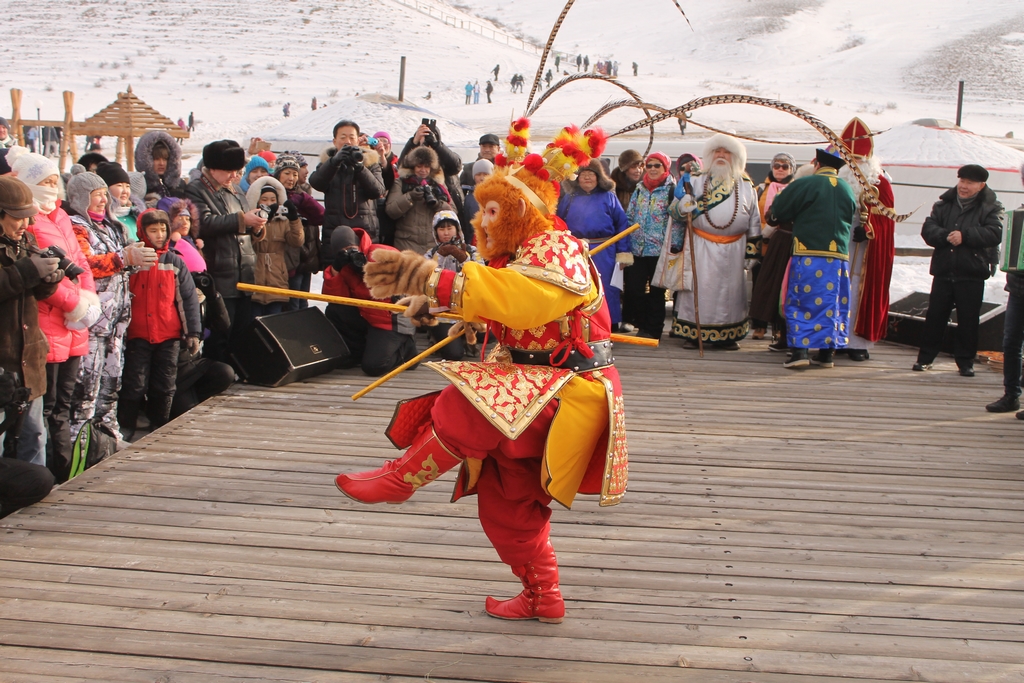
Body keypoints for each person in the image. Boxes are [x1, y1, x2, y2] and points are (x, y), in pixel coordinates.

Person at [336, 119, 627, 625]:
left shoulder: (556, 250)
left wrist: (427, 277)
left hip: (566, 388)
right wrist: (437, 307)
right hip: (532, 386)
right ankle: (542, 594)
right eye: (482, 211)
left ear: (519, 211)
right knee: (505, 502)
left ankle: (402, 477)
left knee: (469, 401)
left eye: (494, 212)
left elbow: (521, 300)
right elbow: (494, 303)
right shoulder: (519, 253)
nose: (483, 223)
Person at [15, 153, 99, 480]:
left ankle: (61, 473)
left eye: (54, 182)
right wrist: (74, 302)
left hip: (74, 327)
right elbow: (43, 279)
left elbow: (80, 262)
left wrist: (88, 298)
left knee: (63, 406)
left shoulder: (61, 217)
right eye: (43, 182)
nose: (50, 189)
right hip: (46, 324)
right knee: (44, 409)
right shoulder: (28, 222)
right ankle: (44, 476)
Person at [66, 172, 156, 444]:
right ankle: (80, 444)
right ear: (82, 198)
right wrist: (122, 258)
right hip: (92, 322)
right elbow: (85, 264)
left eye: (105, 194)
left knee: (111, 384)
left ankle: (108, 437)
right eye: (97, 195)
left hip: (116, 319)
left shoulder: (112, 225)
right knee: (86, 389)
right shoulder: (76, 227)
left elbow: (122, 258)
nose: (104, 200)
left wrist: (135, 257)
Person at [767, 148, 857, 369]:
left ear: (817, 164)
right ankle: (827, 354)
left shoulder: (805, 184)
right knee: (832, 303)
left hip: (808, 254)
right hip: (838, 258)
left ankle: (800, 352)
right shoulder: (847, 189)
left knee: (802, 300)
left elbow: (778, 212)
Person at [671, 135, 761, 349]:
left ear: (736, 157)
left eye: (726, 151)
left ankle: (728, 337)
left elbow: (754, 220)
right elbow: (674, 211)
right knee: (699, 290)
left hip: (735, 250)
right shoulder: (695, 180)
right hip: (700, 246)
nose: (721, 155)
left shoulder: (746, 186)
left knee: (731, 295)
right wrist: (684, 206)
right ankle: (694, 334)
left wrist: (752, 252)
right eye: (717, 151)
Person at [118, 209, 201, 440]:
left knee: (164, 385)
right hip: (137, 335)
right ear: (142, 232)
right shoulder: (132, 259)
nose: (159, 234)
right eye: (153, 230)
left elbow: (188, 300)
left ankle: (159, 427)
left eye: (162, 229)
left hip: (168, 336)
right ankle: (126, 428)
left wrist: (192, 332)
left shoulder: (174, 261)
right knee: (134, 385)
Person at [914, 164, 1003, 377]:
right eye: (961, 181)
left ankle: (965, 362)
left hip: (972, 270)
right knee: (935, 316)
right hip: (944, 269)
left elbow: (995, 232)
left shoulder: (992, 207)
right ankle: (925, 359)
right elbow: (928, 228)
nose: (963, 186)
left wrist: (965, 236)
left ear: (981, 186)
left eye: (969, 183)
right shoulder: (944, 205)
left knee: (968, 320)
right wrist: (946, 235)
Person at [186, 139, 267, 364]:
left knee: (240, 332)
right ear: (212, 169)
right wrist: (243, 219)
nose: (234, 176)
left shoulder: (235, 192)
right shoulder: (196, 190)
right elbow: (204, 223)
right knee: (220, 333)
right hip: (220, 273)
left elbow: (242, 224)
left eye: (237, 171)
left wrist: (257, 227)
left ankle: (236, 372)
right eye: (229, 171)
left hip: (244, 273)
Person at [0, 176, 62, 465]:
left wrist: (50, 278)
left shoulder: (25, 240)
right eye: (17, 218)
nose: (24, 225)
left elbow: (36, 293)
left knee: (35, 434)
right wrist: (26, 271)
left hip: (29, 354)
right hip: (4, 358)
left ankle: (33, 493)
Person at [837, 119, 897, 362]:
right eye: (851, 160)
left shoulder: (880, 183)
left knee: (857, 289)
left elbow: (888, 217)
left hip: (865, 248)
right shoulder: (837, 178)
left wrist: (870, 228)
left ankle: (858, 342)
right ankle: (835, 338)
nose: (856, 165)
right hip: (840, 242)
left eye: (860, 160)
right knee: (838, 287)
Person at [321, 227, 416, 376]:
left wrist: (370, 273)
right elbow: (335, 299)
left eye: (352, 248)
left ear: (358, 244)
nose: (351, 253)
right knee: (335, 311)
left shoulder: (380, 253)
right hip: (368, 315)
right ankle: (356, 352)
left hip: (392, 317)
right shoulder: (344, 266)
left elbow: (404, 285)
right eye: (344, 250)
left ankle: (407, 352)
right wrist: (335, 270)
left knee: (374, 367)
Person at [557, 159, 632, 329]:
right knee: (577, 286)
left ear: (599, 178)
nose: (587, 178)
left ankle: (609, 324)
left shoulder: (609, 197)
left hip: (605, 250)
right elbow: (559, 223)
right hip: (576, 251)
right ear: (577, 178)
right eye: (584, 174)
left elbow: (622, 225)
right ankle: (579, 325)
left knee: (606, 287)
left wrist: (623, 252)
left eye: (591, 174)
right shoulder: (569, 198)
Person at [309, 120, 385, 259]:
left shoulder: (371, 163)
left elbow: (377, 191)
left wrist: (360, 167)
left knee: (363, 277)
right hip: (335, 232)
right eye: (343, 137)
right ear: (334, 141)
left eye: (352, 137)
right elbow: (316, 183)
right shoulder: (328, 163)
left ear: (358, 139)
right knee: (335, 277)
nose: (348, 141)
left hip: (365, 232)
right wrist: (334, 162)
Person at [624, 151, 676, 339]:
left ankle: (654, 329)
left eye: (657, 165)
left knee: (657, 292)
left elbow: (676, 221)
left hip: (659, 250)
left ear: (665, 167)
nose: (652, 169)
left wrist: (674, 247)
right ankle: (641, 324)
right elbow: (630, 216)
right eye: (649, 165)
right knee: (634, 289)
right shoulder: (639, 189)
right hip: (637, 248)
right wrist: (625, 244)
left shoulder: (672, 189)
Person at [422, 210, 483, 360]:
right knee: (454, 355)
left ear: (457, 229)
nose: (446, 233)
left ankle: (466, 337)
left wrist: (462, 257)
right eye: (441, 229)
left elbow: (481, 275)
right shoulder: (430, 254)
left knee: (491, 334)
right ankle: (436, 336)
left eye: (450, 228)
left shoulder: (471, 250)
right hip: (443, 311)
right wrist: (441, 257)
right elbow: (426, 279)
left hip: (467, 307)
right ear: (435, 232)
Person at [748, 152, 796, 342]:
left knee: (781, 287)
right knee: (760, 285)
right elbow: (753, 214)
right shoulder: (761, 189)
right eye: (777, 166)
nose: (780, 170)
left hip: (784, 244)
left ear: (792, 169)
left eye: (785, 166)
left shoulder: (796, 189)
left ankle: (778, 328)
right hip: (763, 243)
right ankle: (759, 325)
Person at [244, 177, 304, 317]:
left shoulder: (283, 221)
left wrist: (294, 220)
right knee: (254, 319)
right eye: (264, 199)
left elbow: (297, 241)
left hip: (277, 277)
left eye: (273, 199)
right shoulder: (251, 220)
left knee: (273, 319)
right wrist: (263, 221)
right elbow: (249, 241)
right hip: (255, 275)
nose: (269, 203)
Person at [396, 122, 465, 232]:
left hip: (447, 207)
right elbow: (401, 168)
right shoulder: (413, 161)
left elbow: (456, 165)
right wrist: (413, 143)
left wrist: (436, 144)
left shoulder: (442, 155)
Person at [274, 154, 323, 310]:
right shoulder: (270, 194)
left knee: (303, 302)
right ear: (278, 174)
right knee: (291, 305)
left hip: (305, 257)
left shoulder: (300, 194)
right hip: (285, 261)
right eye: (287, 173)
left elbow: (321, 215)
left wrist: (302, 198)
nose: (291, 178)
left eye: (295, 174)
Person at [386, 146, 454, 257]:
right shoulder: (402, 183)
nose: (423, 170)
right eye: (419, 166)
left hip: (433, 245)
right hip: (406, 244)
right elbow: (391, 211)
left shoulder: (438, 186)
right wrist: (410, 197)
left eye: (427, 166)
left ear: (432, 167)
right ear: (412, 167)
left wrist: (437, 204)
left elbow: (452, 213)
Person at [134, 130, 185, 203]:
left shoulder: (179, 185)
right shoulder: (140, 186)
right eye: (156, 159)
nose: (161, 163)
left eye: (165, 159)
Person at [609, 150, 643, 214]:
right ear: (625, 169)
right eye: (633, 167)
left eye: (640, 166)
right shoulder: (614, 188)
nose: (638, 170)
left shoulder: (645, 188)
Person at [463, 159, 493, 226]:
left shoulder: (497, 196)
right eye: (478, 174)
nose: (482, 178)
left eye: (486, 174)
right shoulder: (469, 198)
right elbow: (467, 224)